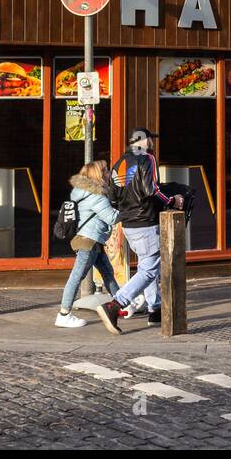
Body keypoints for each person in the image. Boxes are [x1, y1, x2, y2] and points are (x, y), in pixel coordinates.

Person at [97, 128, 183, 334]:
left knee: (147, 264)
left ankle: (155, 310)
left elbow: (113, 198)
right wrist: (172, 200)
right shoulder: (147, 159)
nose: (152, 143)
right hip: (146, 221)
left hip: (128, 225)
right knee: (149, 269)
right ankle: (115, 305)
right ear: (143, 141)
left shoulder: (119, 163)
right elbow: (151, 189)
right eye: (150, 139)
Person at [55, 160, 122, 329]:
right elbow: (112, 218)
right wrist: (130, 210)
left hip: (93, 240)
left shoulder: (84, 193)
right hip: (89, 241)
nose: (108, 173)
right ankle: (64, 314)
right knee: (76, 277)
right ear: (98, 175)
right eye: (105, 170)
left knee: (108, 273)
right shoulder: (95, 195)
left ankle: (122, 303)